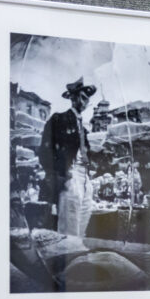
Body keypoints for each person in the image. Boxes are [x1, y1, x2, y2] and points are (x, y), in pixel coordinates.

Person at [38, 76, 96, 236]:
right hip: (70, 177)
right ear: (72, 98)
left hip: (85, 179)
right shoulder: (59, 119)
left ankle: (77, 252)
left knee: (82, 229)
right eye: (81, 97)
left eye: (87, 99)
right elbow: (44, 151)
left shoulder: (84, 128)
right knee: (69, 232)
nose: (84, 102)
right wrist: (60, 175)